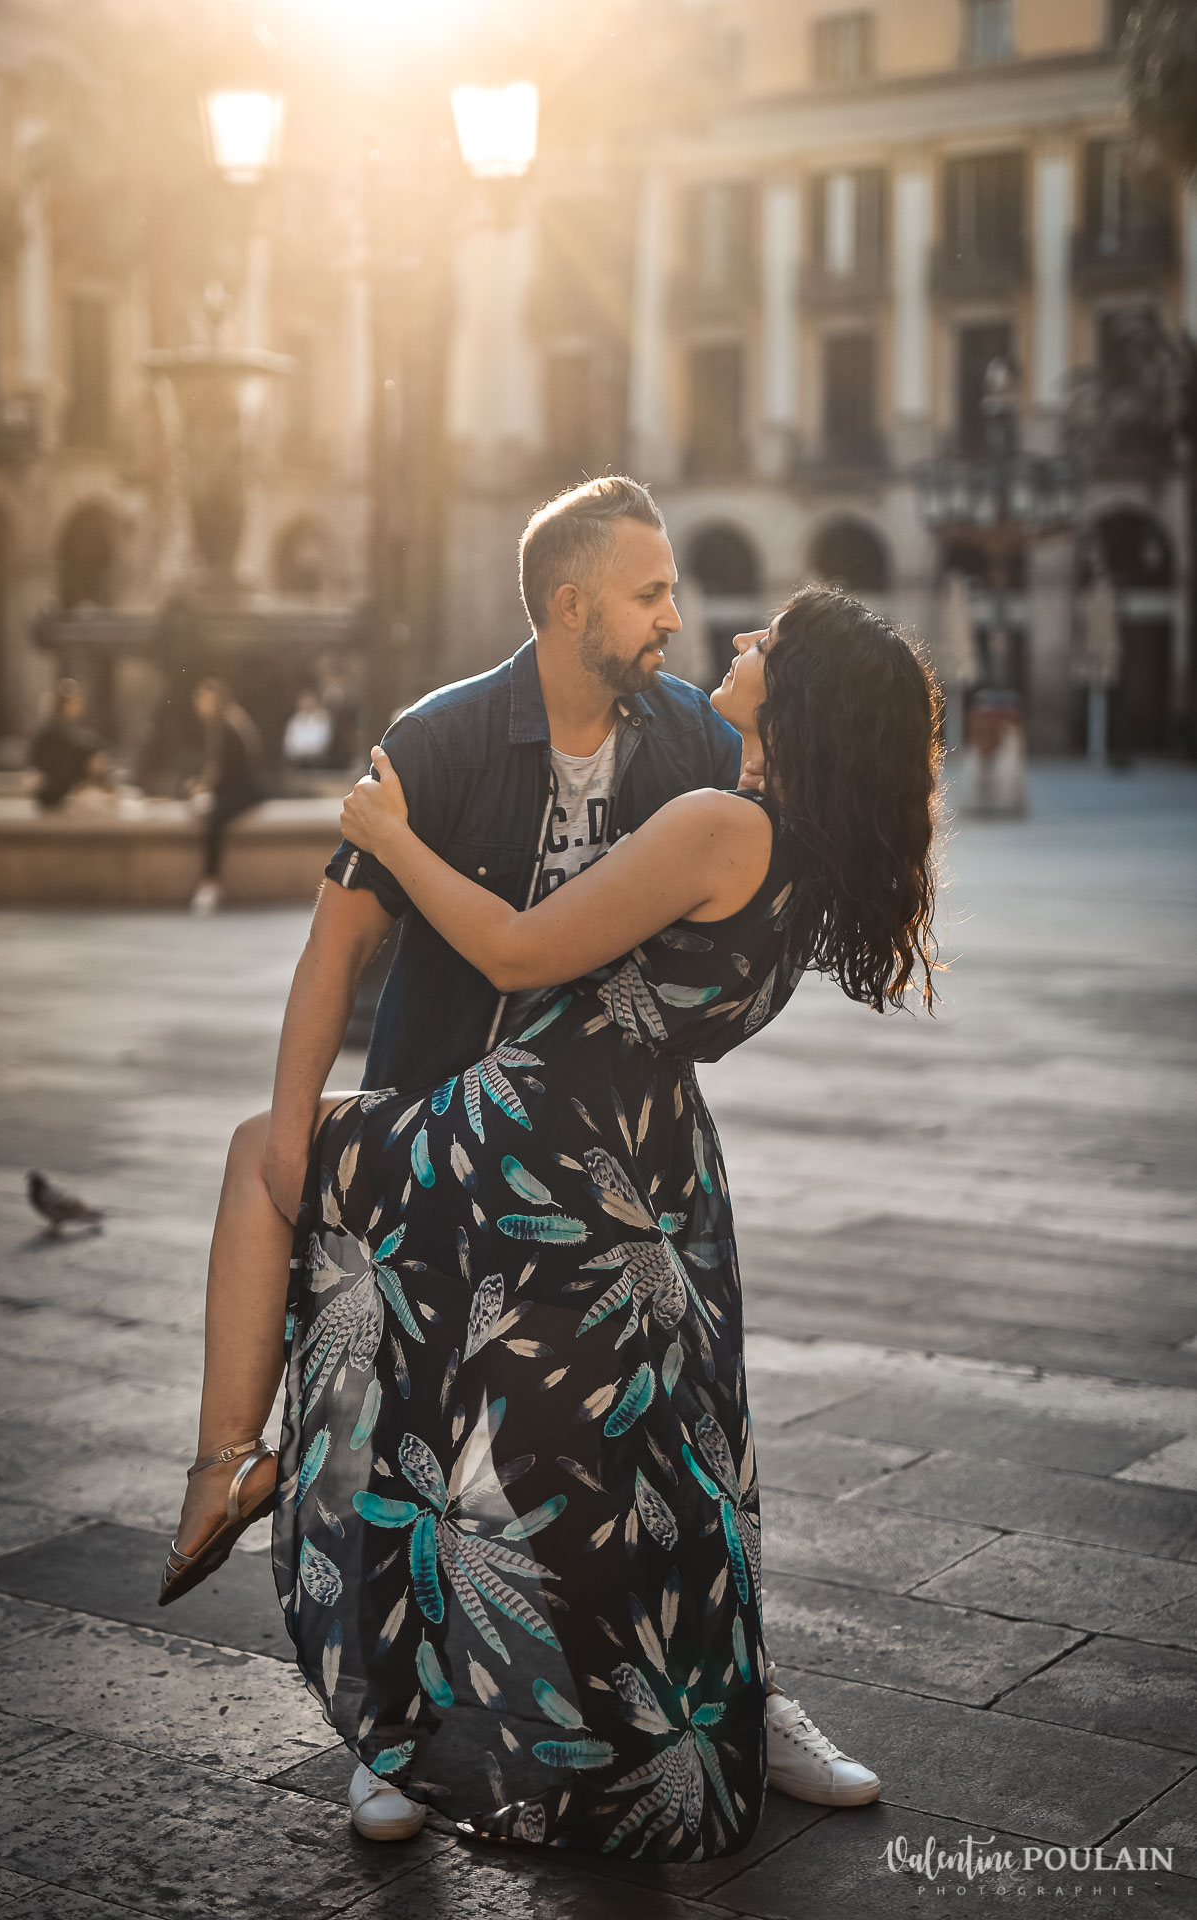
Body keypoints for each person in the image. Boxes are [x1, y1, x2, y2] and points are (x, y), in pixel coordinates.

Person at [159, 481, 934, 1851]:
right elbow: (341, 944)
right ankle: (432, 1729)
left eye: (753, 638)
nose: (699, 629)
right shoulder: (473, 738)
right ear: (572, 603)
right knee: (666, 1459)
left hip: (538, 1141)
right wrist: (299, 1133)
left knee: (642, 1462)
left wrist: (390, 837)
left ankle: (227, 1464)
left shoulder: (706, 781)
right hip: (633, 1164)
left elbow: (522, 952)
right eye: (655, 594)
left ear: (795, 704)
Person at [187, 678, 267, 915]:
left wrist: (202, 787)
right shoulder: (230, 720)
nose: (199, 705)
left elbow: (223, 770)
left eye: (204, 699)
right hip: (242, 789)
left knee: (214, 819)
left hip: (245, 792)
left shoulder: (226, 725)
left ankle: (210, 882)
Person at [29, 678, 112, 811]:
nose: (80, 707)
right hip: (51, 791)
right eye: (77, 703)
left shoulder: (63, 729)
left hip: (56, 791)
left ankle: (100, 792)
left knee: (93, 755)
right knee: (93, 757)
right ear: (65, 704)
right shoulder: (53, 731)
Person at [282, 687, 334, 770]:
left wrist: (308, 751)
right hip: (296, 760)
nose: (307, 705)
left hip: (317, 761)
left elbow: (322, 742)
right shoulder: (294, 720)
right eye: (304, 702)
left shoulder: (322, 718)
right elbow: (289, 743)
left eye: (309, 702)